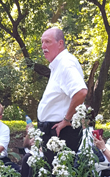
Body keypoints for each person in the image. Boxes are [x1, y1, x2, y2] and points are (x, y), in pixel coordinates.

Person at [36, 27, 87, 166]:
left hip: (60, 131)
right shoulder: (58, 64)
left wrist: (66, 119)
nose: (43, 46)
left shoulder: (66, 63)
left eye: (47, 41)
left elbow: (81, 92)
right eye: (42, 42)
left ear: (60, 43)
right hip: (53, 130)